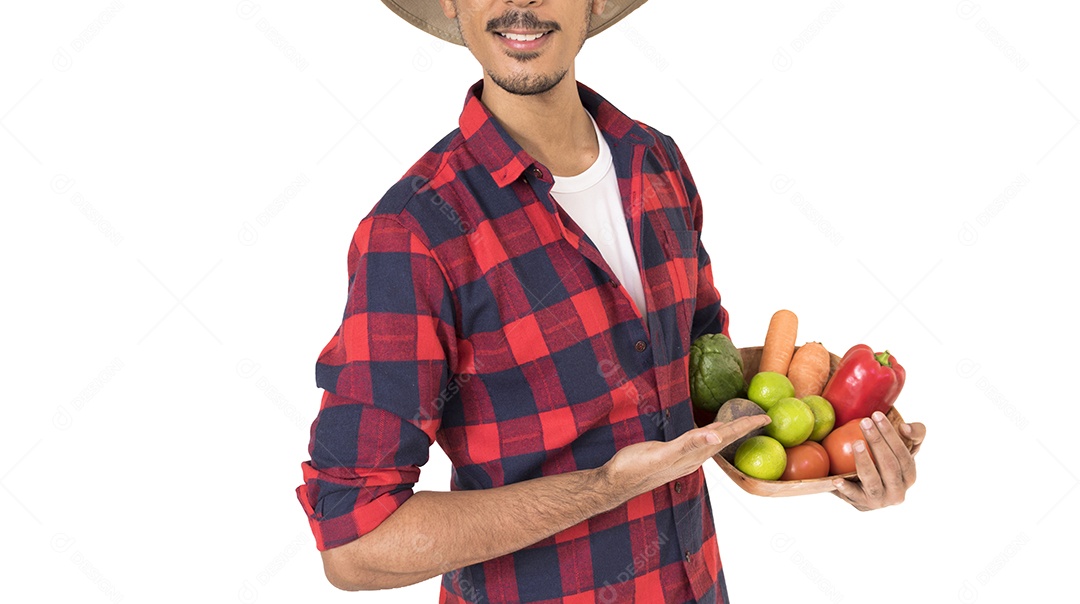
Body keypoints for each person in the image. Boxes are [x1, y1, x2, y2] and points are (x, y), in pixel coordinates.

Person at [295, 1, 927, 601]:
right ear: (454, 4)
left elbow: (698, 387)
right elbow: (356, 542)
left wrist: (836, 461)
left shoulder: (655, 162)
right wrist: (601, 488)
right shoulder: (415, 233)